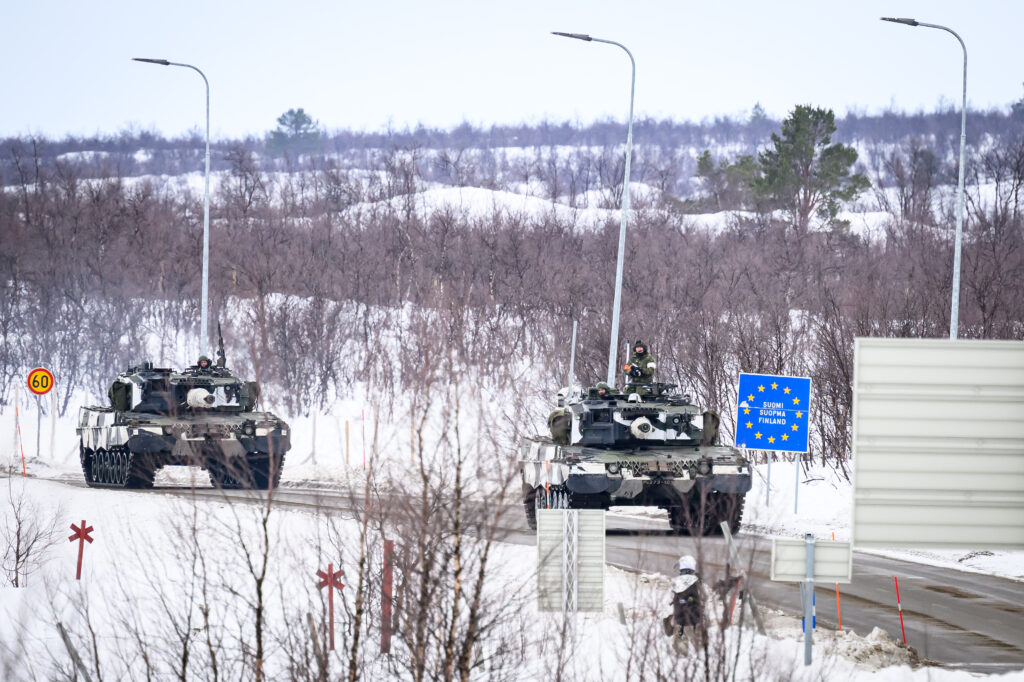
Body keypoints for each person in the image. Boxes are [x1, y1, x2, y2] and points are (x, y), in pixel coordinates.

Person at [671, 555, 705, 654]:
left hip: (679, 620)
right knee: (699, 650)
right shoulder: (696, 582)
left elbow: (674, 599)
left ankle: (682, 657)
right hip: (694, 620)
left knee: (681, 647)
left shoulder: (676, 582)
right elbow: (704, 597)